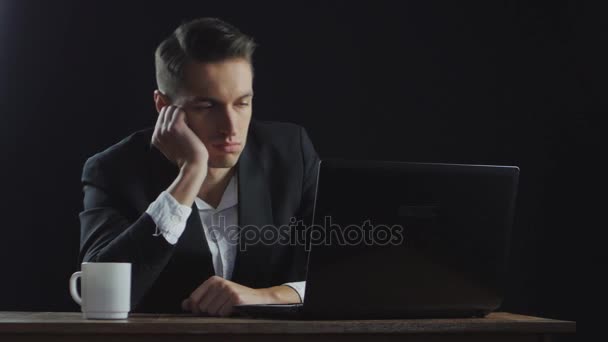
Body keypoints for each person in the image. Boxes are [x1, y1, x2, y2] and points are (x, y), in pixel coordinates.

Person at [78, 17, 319, 317]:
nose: (230, 127)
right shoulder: (114, 171)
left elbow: (340, 276)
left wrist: (262, 296)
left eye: (242, 103)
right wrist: (190, 174)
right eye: (207, 106)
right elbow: (98, 296)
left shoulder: (289, 153)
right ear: (163, 107)